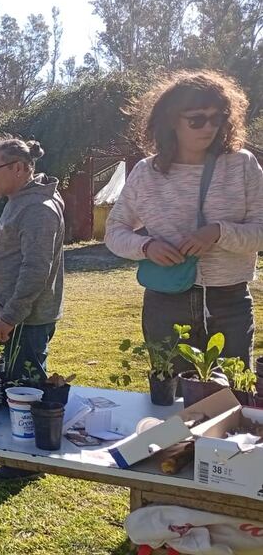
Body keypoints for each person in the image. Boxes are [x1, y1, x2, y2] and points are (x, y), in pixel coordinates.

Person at [106, 70, 263, 366]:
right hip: (166, 300)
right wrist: (147, 247)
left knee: (232, 397)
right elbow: (115, 232)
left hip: (230, 301)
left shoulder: (242, 165)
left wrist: (218, 232)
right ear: (171, 121)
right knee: (173, 400)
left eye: (217, 118)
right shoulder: (146, 172)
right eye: (197, 119)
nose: (209, 128)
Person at [0, 136, 65, 481]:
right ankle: (22, 458)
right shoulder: (21, 199)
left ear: (19, 168)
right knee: (19, 382)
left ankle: (25, 464)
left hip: (27, 319)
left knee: (25, 388)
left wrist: (9, 316)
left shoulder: (37, 209)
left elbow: (36, 270)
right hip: (21, 316)